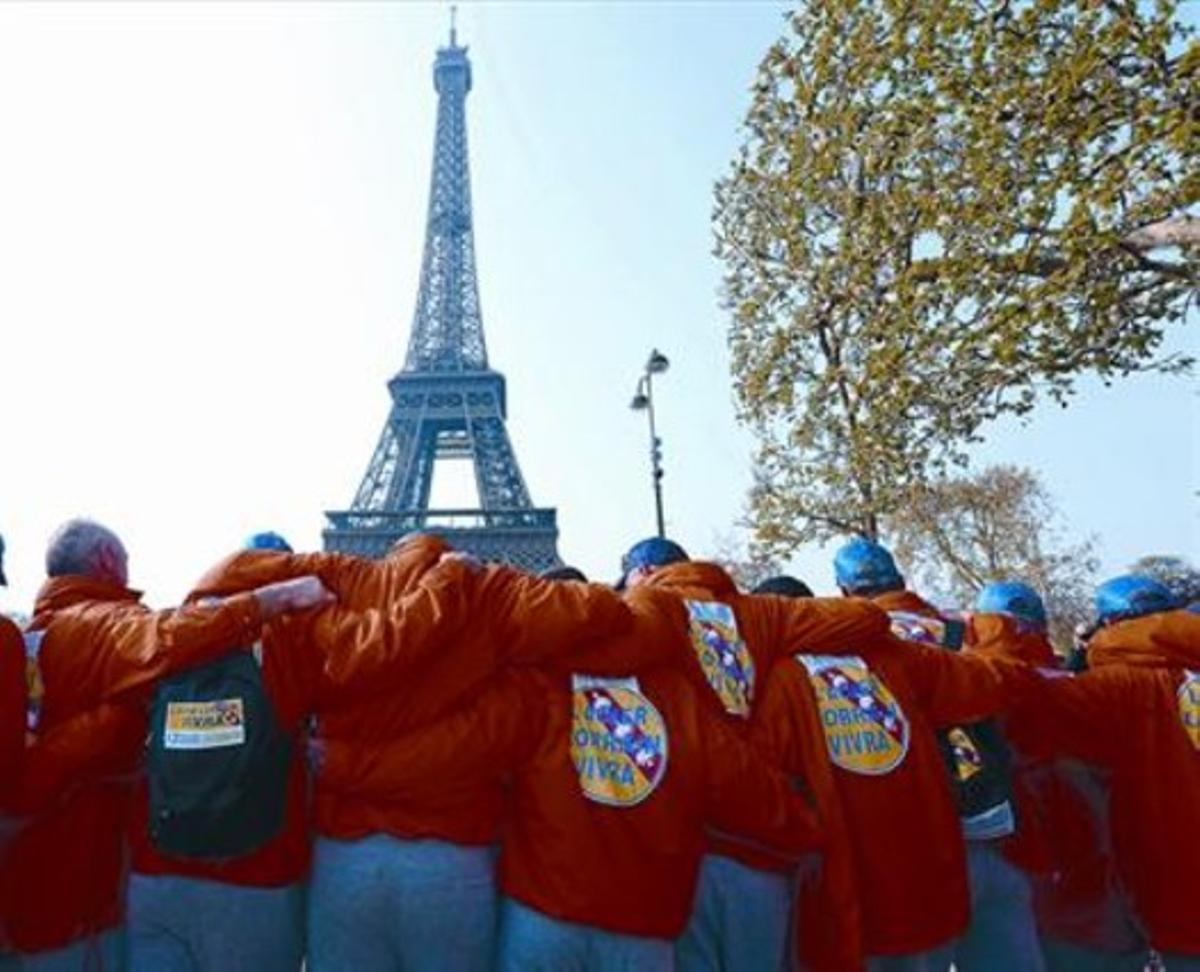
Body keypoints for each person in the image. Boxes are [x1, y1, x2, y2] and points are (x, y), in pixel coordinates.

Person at [316, 572, 824, 972]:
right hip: (644, 930)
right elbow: (748, 788)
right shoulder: (678, 695)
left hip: (546, 917)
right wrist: (811, 831)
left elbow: (452, 750)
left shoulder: (540, 686)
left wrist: (340, 763)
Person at [124, 531, 477, 972]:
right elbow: (382, 649)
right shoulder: (293, 637)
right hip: (258, 875)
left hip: (156, 867)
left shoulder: (169, 629)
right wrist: (450, 579)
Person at [0, 518, 332, 970]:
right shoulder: (108, 625)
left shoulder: (29, 636)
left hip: (42, 886)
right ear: (106, 562)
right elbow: (164, 639)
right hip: (90, 893)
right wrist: (268, 601)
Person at [297, 535, 633, 972]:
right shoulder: (491, 597)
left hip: (345, 858)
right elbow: (602, 611)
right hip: (451, 858)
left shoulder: (346, 586)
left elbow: (240, 577)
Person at [607, 537, 888, 972]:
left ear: (642, 574)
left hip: (682, 840)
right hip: (759, 839)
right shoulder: (762, 612)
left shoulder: (649, 609)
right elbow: (865, 617)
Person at [833, 540, 1045, 972]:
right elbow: (1012, 684)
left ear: (843, 591)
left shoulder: (848, 644)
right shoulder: (961, 631)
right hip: (989, 822)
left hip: (906, 843)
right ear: (902, 581)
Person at [1012, 575, 1200, 969]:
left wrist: (1013, 637)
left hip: (1177, 887)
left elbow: (1021, 707)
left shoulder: (1114, 688)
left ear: (1109, 624)